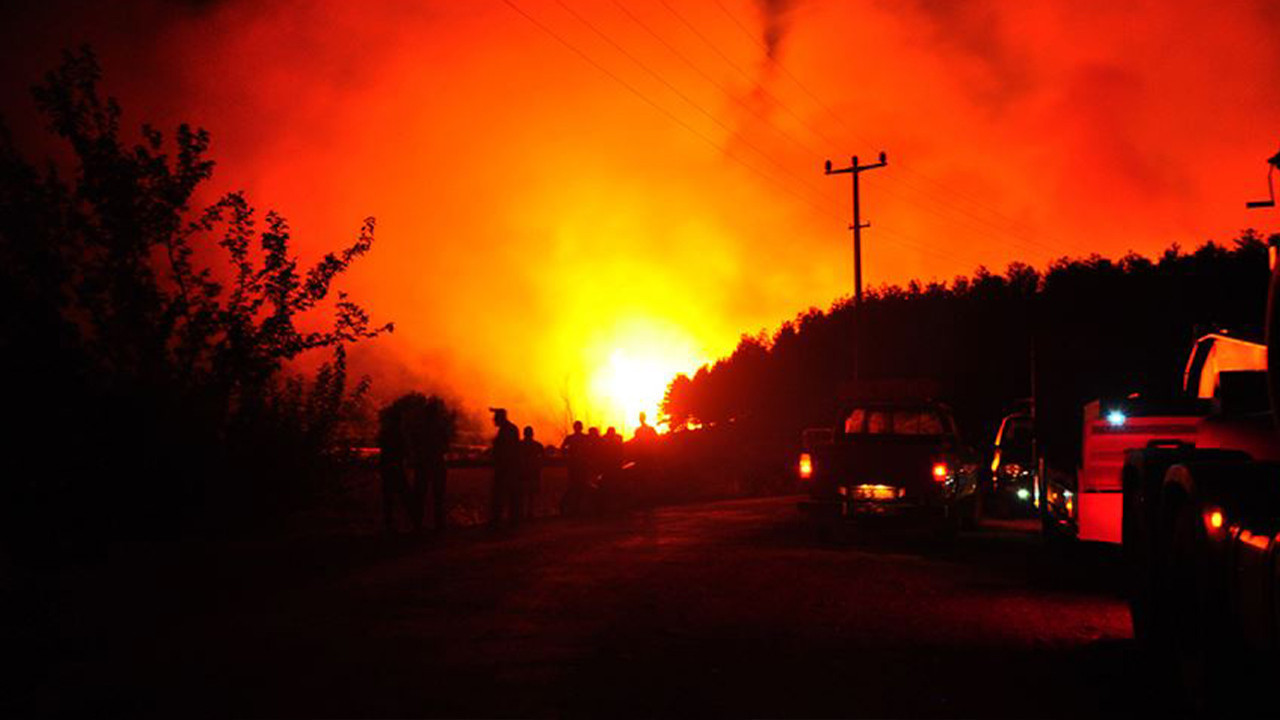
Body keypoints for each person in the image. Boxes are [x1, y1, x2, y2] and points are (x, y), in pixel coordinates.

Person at [489, 407, 521, 528]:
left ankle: (501, 520)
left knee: (502, 494)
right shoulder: (509, 429)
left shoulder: (507, 430)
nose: (493, 420)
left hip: (506, 468)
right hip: (508, 467)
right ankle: (511, 519)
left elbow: (507, 451)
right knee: (509, 494)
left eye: (495, 418)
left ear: (500, 418)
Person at [560, 421, 590, 516]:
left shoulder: (571, 438)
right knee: (580, 486)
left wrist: (568, 456)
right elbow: (563, 449)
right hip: (579, 466)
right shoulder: (584, 438)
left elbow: (562, 448)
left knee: (576, 486)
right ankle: (577, 507)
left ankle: (576, 507)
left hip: (576, 465)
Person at [519, 426, 544, 520]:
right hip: (533, 472)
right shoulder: (537, 445)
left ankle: (522, 512)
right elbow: (543, 458)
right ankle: (530, 512)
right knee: (531, 494)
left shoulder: (519, 445)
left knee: (523, 493)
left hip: (523, 472)